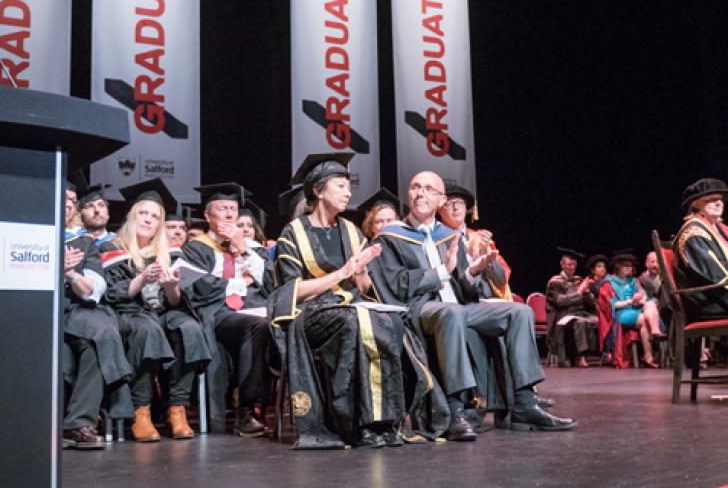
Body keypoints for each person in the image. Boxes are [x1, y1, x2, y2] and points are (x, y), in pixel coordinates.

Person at [368, 171, 575, 442]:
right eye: (415, 187)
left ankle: (524, 403)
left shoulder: (449, 235)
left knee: (518, 311)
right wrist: (442, 272)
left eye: (428, 189)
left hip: (458, 307)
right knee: (451, 313)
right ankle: (454, 410)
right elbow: (396, 285)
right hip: (421, 308)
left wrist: (474, 271)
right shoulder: (392, 236)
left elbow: (466, 289)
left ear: (441, 200)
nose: (420, 193)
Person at [272, 154, 418, 449]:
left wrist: (362, 270)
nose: (348, 192)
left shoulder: (351, 231)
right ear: (319, 191)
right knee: (355, 322)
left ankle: (384, 422)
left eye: (348, 186)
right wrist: (343, 272)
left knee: (389, 321)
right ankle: (354, 423)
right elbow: (292, 291)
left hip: (350, 308)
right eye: (340, 186)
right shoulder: (293, 233)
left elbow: (363, 287)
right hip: (310, 313)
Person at [177, 183, 273, 437]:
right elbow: (200, 287)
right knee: (257, 326)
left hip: (253, 309)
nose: (230, 214)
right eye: (223, 209)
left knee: (268, 323)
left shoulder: (252, 248)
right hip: (216, 312)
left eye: (233, 209)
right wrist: (243, 282)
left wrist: (243, 247)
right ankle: (246, 411)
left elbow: (271, 282)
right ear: (208, 216)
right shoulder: (195, 248)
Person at [99, 180, 190, 441]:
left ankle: (177, 409)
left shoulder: (168, 253)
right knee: (147, 329)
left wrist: (172, 288)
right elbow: (108, 294)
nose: (148, 220)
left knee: (189, 329)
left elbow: (174, 302)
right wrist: (141, 280)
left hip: (161, 313)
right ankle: (142, 411)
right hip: (126, 314)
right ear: (130, 215)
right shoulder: (110, 249)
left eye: (155, 217)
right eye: (144, 213)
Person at [61, 180, 131, 450]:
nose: (68, 203)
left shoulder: (83, 243)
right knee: (94, 340)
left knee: (103, 333)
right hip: (38, 311)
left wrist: (70, 275)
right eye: (62, 197)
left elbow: (93, 288)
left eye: (72, 200)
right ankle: (75, 422)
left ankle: (79, 424)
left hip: (76, 309)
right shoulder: (29, 236)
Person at [437, 184, 513, 301]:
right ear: (439, 209)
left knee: (521, 312)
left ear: (466, 208)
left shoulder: (479, 239)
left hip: (485, 301)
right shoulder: (435, 240)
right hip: (453, 301)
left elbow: (501, 280)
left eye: (460, 203)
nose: (456, 207)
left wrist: (487, 260)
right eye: (449, 204)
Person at [673, 179, 728, 321]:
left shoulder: (721, 230)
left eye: (721, 200)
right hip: (707, 301)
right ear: (696, 203)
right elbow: (714, 276)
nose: (719, 203)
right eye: (712, 199)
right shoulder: (693, 233)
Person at [599, 252, 665, 367]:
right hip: (619, 313)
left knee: (650, 304)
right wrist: (631, 301)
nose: (628, 268)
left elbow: (643, 295)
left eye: (630, 266)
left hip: (635, 309)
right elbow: (613, 305)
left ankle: (654, 334)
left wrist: (640, 299)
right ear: (618, 266)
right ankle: (649, 354)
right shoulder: (609, 283)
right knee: (644, 318)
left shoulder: (633, 281)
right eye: (626, 266)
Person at [545, 249, 599, 368]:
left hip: (581, 313)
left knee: (600, 320)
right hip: (563, 316)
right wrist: (579, 292)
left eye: (573, 265)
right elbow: (560, 301)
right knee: (580, 322)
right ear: (562, 265)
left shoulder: (578, 280)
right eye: (568, 265)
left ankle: (603, 354)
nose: (571, 267)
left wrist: (586, 292)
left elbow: (590, 304)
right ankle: (581, 356)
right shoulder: (554, 282)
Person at [75, 176, 116, 247]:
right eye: (90, 206)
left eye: (101, 205)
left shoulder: (118, 242)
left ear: (108, 214)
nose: (97, 210)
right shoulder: (73, 242)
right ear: (80, 214)